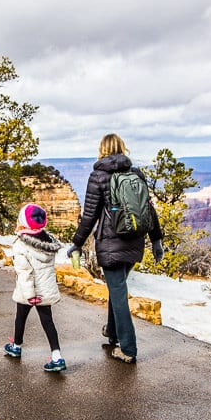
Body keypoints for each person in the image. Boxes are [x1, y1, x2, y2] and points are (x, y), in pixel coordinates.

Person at [67, 133, 163, 364]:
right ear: (122, 148)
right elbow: (148, 210)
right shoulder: (136, 174)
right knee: (117, 287)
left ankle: (128, 349)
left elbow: (89, 216)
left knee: (118, 293)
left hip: (110, 243)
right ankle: (112, 332)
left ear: (102, 149)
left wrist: (77, 243)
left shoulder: (98, 176)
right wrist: (157, 240)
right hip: (135, 242)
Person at [4, 203, 67, 372]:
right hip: (45, 289)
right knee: (48, 321)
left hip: (29, 291)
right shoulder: (46, 241)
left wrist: (30, 295)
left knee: (21, 318)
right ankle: (57, 356)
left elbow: (25, 272)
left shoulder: (21, 244)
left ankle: (16, 346)